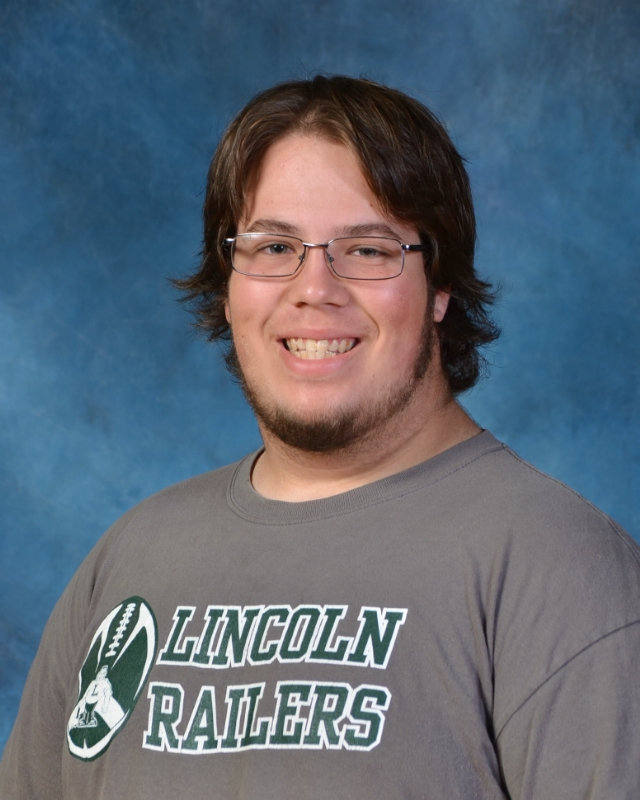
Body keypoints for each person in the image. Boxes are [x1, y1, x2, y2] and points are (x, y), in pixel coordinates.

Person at [1, 75, 639, 799]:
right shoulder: (129, 563)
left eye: (366, 250)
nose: (314, 288)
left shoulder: (561, 572)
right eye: (274, 246)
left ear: (439, 287)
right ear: (229, 284)